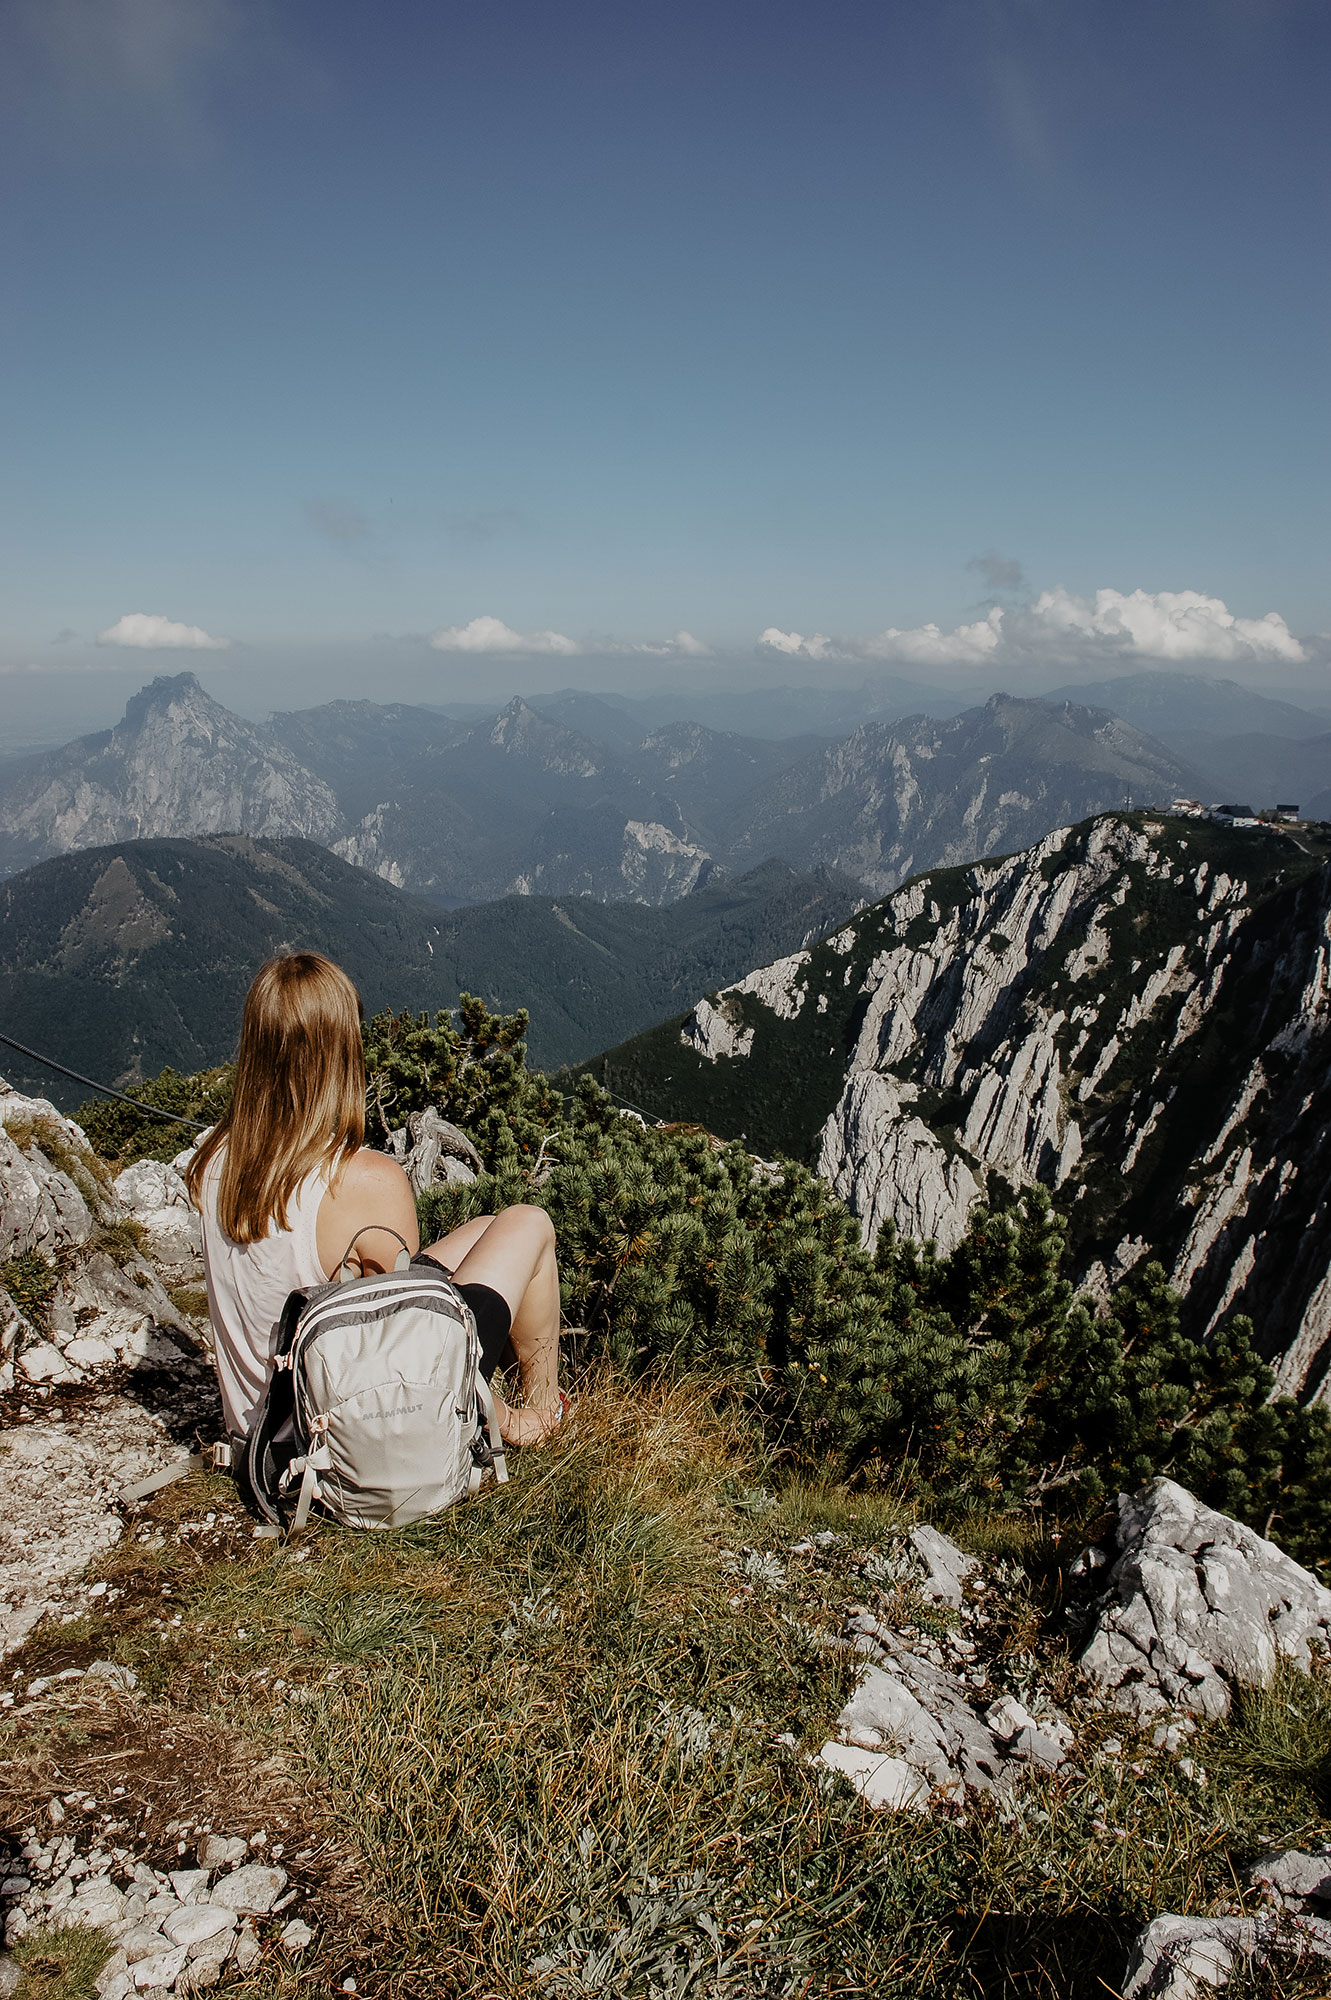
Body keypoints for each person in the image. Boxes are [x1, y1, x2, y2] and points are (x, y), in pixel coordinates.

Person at [185, 951, 564, 1450]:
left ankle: (540, 1409)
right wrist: (498, 1413)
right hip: (344, 1446)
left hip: (255, 1436)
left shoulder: (216, 1159)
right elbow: (409, 1341)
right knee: (529, 1222)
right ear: (343, 1051)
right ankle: (537, 1417)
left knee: (491, 1227)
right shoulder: (363, 1179)